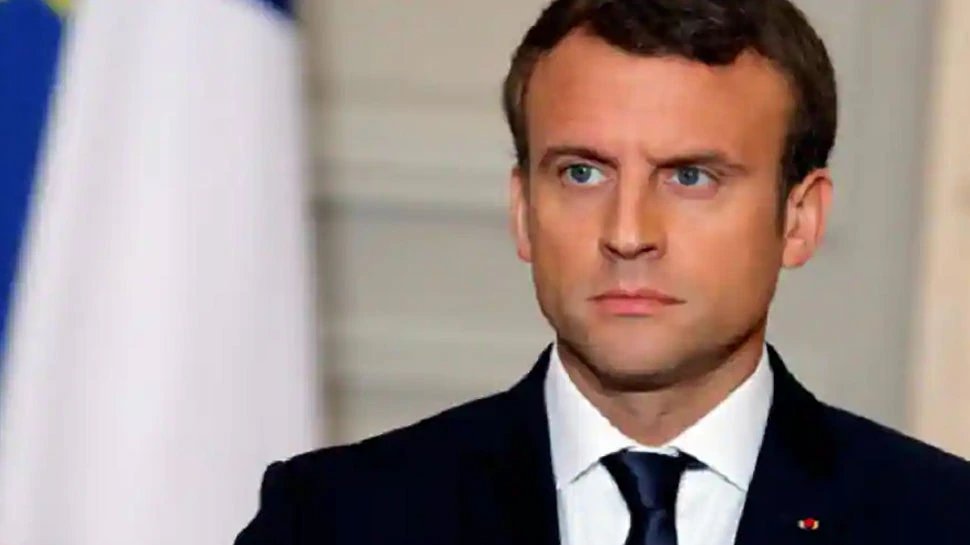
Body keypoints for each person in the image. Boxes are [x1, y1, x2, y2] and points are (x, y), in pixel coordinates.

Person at [235, 0, 970, 544]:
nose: (627, 234)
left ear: (800, 218)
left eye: (690, 177)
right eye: (582, 173)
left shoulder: (939, 522)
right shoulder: (335, 519)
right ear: (523, 209)